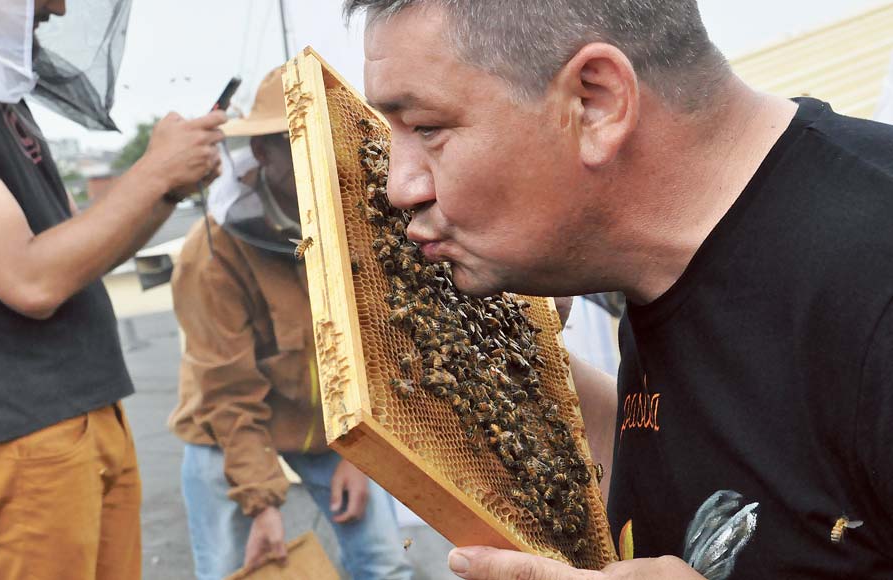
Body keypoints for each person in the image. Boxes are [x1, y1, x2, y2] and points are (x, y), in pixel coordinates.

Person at [344, 0, 893, 578]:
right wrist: (516, 372)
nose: (397, 187)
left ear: (595, 102)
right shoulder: (661, 262)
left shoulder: (873, 280)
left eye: (427, 128)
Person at [0, 1, 226, 578]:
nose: (59, 9)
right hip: (19, 439)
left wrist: (169, 188)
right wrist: (154, 170)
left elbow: (75, 249)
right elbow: (31, 280)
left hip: (81, 416)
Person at [168, 68, 413, 580]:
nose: (317, 157)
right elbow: (227, 391)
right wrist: (260, 502)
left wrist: (365, 455)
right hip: (229, 431)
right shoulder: (211, 255)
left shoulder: (358, 223)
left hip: (332, 431)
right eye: (296, 142)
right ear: (262, 153)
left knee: (386, 565)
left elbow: (379, 344)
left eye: (324, 140)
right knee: (237, 569)